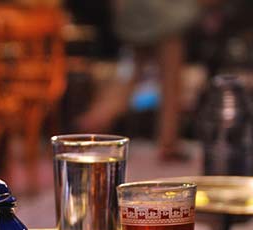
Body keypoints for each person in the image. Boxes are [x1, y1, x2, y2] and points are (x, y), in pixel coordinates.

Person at [76, 0, 200, 161]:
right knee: (170, 80)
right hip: (163, 12)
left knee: (130, 74)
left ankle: (92, 124)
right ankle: (169, 142)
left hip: (136, 10)